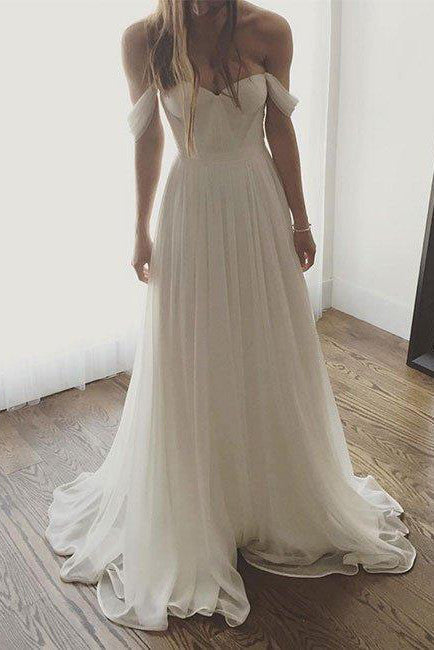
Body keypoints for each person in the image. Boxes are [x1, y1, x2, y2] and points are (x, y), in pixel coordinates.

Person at [45, 0, 416, 631]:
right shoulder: (145, 40)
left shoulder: (271, 31)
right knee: (194, 353)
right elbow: (148, 138)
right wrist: (139, 230)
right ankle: (199, 501)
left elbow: (281, 132)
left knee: (265, 349)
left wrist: (301, 220)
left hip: (258, 206)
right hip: (189, 207)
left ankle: (265, 495)